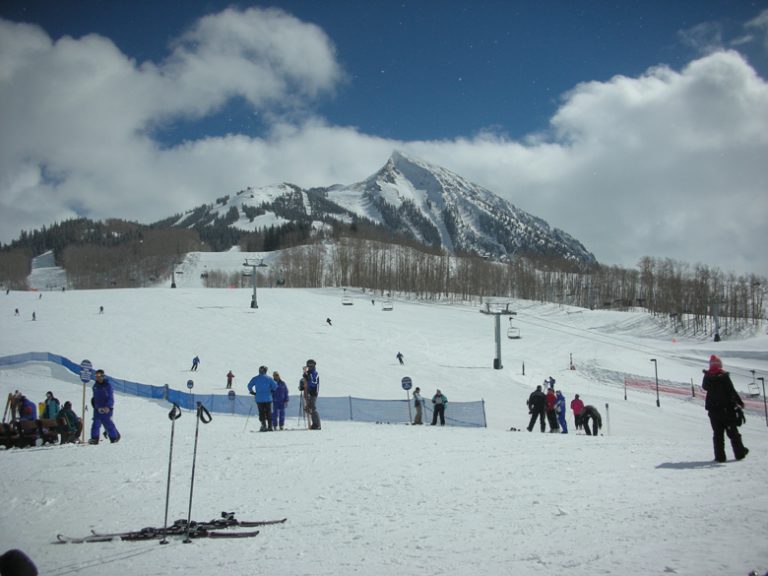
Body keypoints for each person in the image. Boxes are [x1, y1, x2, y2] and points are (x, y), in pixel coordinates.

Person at [701, 354, 748, 462]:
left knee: (718, 435)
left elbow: (704, 387)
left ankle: (720, 457)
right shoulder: (724, 376)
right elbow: (731, 391)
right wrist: (739, 402)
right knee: (733, 433)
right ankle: (739, 453)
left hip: (713, 411)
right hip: (727, 410)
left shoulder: (707, 376)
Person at [89, 369, 121, 444]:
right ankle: (94, 439)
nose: (98, 378)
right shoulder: (95, 386)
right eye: (96, 376)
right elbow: (95, 397)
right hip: (98, 408)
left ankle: (114, 437)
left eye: (99, 376)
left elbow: (110, 397)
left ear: (103, 376)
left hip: (106, 408)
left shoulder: (107, 386)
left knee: (107, 423)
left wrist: (108, 406)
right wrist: (95, 404)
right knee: (96, 424)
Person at [247, 366, 277, 431]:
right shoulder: (269, 378)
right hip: (268, 398)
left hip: (259, 398)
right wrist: (272, 390)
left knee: (261, 412)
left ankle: (263, 426)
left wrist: (252, 392)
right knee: (268, 412)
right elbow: (275, 386)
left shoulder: (255, 378)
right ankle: (270, 426)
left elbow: (249, 385)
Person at [303, 359, 321, 430]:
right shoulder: (307, 373)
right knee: (308, 408)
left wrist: (308, 379)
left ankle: (317, 424)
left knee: (312, 407)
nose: (309, 367)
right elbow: (305, 382)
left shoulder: (315, 373)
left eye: (310, 366)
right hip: (308, 392)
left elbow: (314, 383)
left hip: (313, 393)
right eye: (308, 366)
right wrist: (302, 385)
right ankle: (314, 423)